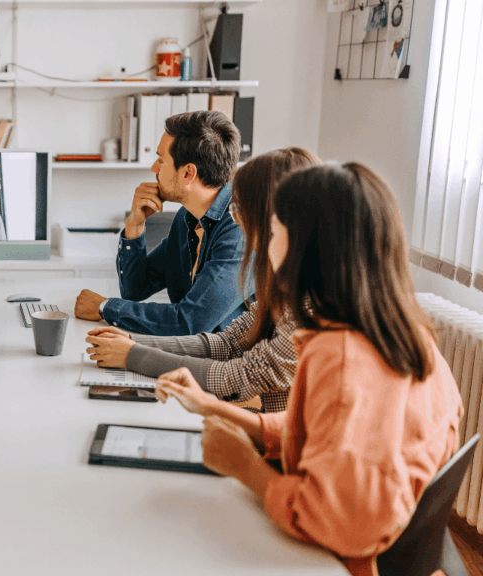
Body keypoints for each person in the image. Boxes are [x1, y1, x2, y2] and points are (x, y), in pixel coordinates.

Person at [154, 163, 463, 576]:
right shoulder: (406, 333)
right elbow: (334, 431)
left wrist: (246, 467)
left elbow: (343, 525)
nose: (264, 240)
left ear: (304, 246)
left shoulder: (339, 355)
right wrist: (214, 406)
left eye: (276, 227)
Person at [84, 148, 320, 412]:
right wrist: (130, 340)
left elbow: (236, 375)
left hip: (278, 438)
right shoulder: (286, 287)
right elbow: (228, 343)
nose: (241, 223)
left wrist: (132, 354)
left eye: (245, 210)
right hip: (263, 421)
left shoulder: (316, 308)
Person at [75, 110, 246, 336]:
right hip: (189, 355)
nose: (154, 168)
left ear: (188, 173)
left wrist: (104, 307)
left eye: (161, 160)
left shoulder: (240, 228)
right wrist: (134, 226)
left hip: (226, 366)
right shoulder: (186, 218)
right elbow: (136, 290)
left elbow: (189, 322)